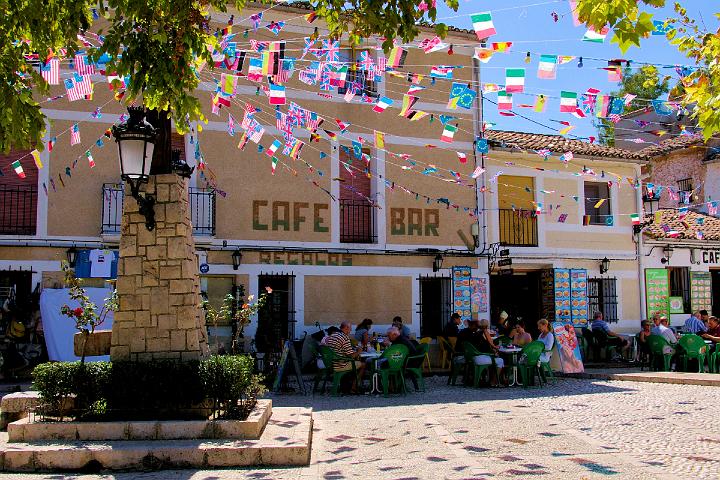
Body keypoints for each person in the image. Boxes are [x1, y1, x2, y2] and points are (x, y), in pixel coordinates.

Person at [323, 322, 365, 390]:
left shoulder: (333, 335)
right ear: (346, 328)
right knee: (363, 365)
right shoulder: (345, 338)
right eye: (350, 328)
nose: (351, 330)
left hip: (331, 363)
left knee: (356, 362)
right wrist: (359, 351)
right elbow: (351, 356)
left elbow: (339, 350)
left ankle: (347, 384)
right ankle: (353, 387)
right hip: (340, 365)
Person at [476, 319, 505, 385]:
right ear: (487, 326)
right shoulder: (485, 332)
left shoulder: (477, 333)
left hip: (476, 356)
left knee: (495, 359)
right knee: (500, 361)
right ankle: (494, 381)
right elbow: (492, 345)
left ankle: (492, 379)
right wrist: (498, 347)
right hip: (482, 357)